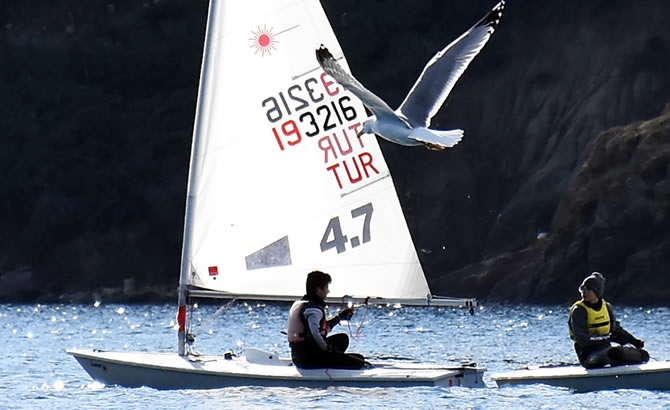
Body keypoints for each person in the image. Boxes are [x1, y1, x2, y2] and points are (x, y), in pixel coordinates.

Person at [287, 270, 368, 370]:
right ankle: (331, 363)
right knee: (359, 362)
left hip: (301, 355)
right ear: (318, 289)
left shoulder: (303, 304)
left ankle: (332, 362)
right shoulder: (313, 310)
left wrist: (339, 317)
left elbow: (322, 329)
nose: (328, 291)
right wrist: (327, 349)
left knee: (343, 339)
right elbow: (314, 334)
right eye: (326, 288)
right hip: (307, 359)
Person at [568, 272, 649, 369]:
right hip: (589, 356)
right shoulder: (579, 311)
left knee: (643, 355)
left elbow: (616, 331)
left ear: (596, 292)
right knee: (615, 352)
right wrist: (604, 338)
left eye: (588, 289)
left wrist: (634, 341)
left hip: (606, 350)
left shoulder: (606, 307)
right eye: (582, 288)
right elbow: (581, 338)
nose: (584, 291)